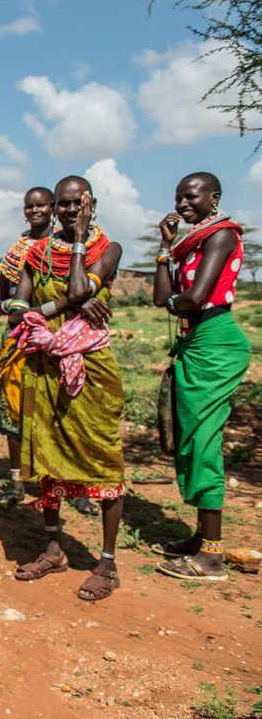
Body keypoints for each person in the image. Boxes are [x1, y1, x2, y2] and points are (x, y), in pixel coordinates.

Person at [10, 176, 125, 601]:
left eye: (78, 203)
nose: (70, 209)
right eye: (64, 203)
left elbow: (81, 287)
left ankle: (108, 564)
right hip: (43, 367)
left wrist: (78, 244)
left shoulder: (108, 249)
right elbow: (16, 312)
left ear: (91, 203)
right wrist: (62, 305)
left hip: (91, 368)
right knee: (48, 458)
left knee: (103, 454)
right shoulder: (36, 254)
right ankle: (55, 548)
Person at [0, 187, 103, 510]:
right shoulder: (18, 252)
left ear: (53, 209)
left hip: (62, 337)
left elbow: (81, 291)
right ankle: (19, 481)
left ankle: (71, 485)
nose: (35, 211)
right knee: (17, 410)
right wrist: (30, 305)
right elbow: (0, 304)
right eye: (29, 206)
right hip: (21, 337)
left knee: (65, 410)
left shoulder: (66, 247)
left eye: (41, 206)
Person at [151, 172, 251, 581]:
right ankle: (200, 538)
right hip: (196, 342)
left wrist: (178, 302)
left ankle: (212, 557)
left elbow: (193, 297)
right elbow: (163, 298)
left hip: (216, 342)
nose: (183, 203)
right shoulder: (186, 246)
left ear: (215, 197)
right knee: (190, 439)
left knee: (204, 439)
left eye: (191, 196)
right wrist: (164, 247)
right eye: (178, 197)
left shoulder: (222, 235)